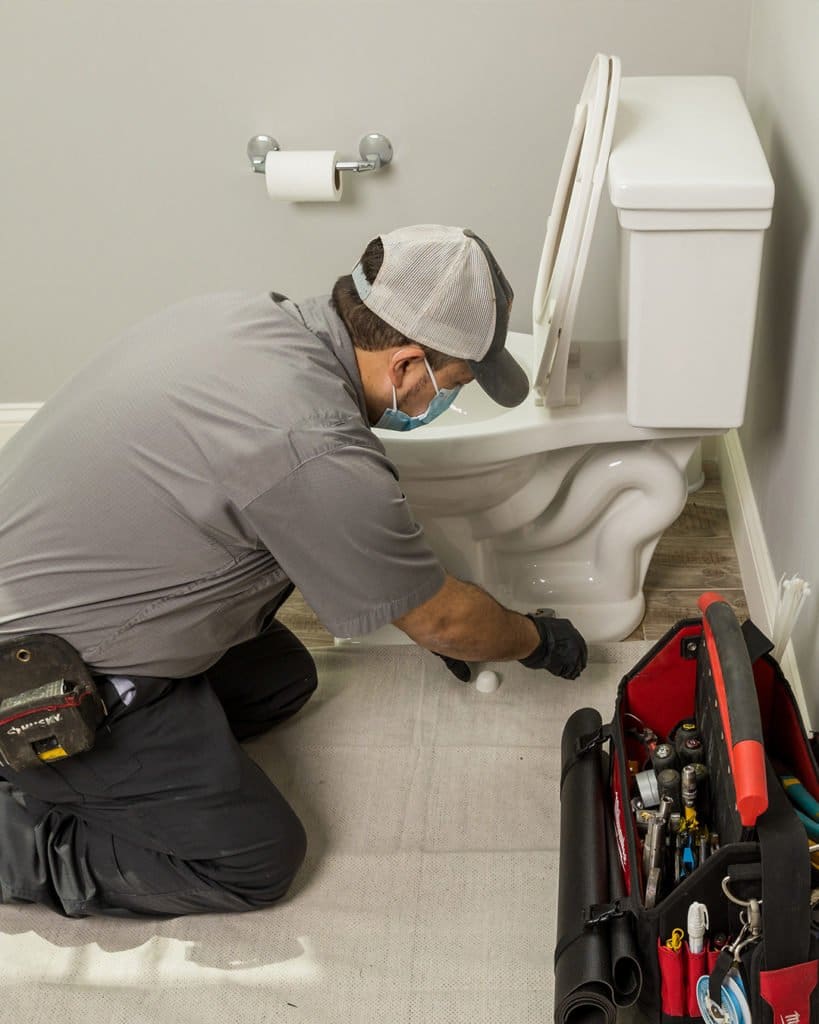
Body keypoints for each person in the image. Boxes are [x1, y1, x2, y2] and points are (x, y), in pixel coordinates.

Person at [0, 224, 586, 918]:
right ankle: (23, 829)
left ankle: (137, 767)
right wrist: (529, 638)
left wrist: (418, 603)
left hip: (50, 593)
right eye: (449, 383)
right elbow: (442, 616)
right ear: (404, 367)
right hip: (41, 674)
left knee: (283, 680)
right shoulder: (309, 442)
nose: (442, 400)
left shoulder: (247, 318)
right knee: (253, 859)